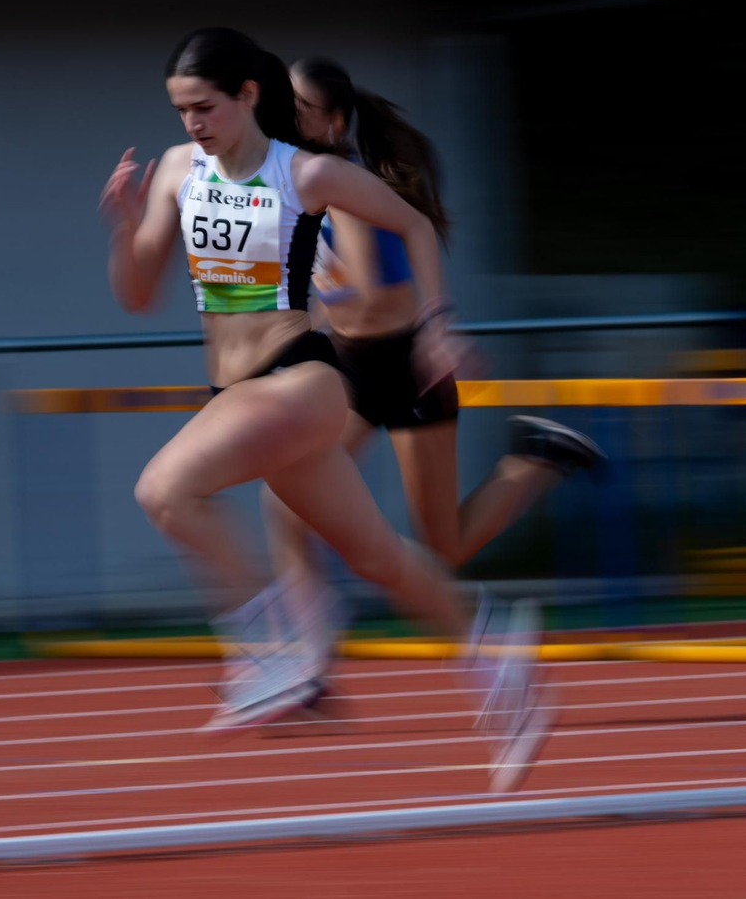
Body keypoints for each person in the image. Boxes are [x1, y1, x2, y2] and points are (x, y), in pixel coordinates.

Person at [98, 27, 550, 791]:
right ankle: (498, 656)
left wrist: (438, 325)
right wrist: (123, 226)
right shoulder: (180, 170)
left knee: (164, 491)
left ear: (247, 95)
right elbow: (138, 296)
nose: (192, 123)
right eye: (180, 110)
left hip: (297, 379)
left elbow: (412, 223)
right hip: (238, 391)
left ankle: (271, 655)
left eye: (205, 106)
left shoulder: (304, 172)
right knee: (378, 558)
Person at [259, 55, 607, 678]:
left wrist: (430, 331)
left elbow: (366, 292)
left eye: (299, 108)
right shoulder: (296, 184)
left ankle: (540, 457)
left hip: (406, 366)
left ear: (332, 124)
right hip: (350, 368)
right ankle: (308, 655)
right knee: (284, 499)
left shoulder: (342, 187)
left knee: (443, 544)